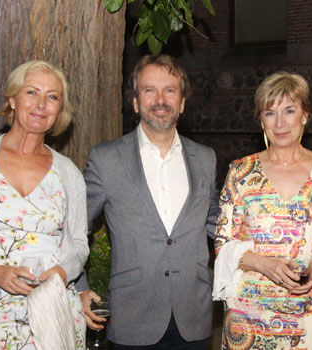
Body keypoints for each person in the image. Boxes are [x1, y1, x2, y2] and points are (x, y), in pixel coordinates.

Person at [78, 54, 218, 349]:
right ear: (135, 102)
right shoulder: (106, 159)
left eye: (170, 90)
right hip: (132, 318)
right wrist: (79, 287)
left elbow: (218, 225)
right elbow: (76, 228)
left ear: (181, 103)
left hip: (193, 315)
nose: (160, 99)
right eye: (149, 90)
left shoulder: (205, 158)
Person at [0, 60, 88, 349]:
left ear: (60, 109)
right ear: (12, 99)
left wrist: (63, 273)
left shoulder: (68, 172)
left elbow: (78, 245)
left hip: (53, 306)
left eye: (52, 97)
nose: (41, 104)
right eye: (31, 92)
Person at [213, 72, 312, 349]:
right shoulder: (241, 171)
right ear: (261, 119)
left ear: (305, 115)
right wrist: (266, 264)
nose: (280, 123)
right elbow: (222, 243)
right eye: (270, 112)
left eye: (289, 111)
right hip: (250, 315)